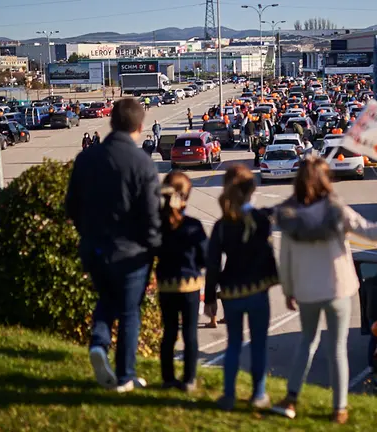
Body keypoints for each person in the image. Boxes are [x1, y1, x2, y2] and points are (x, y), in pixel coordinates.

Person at [272, 157, 377, 424]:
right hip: (338, 287)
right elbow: (374, 232)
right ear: (325, 180)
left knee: (306, 344)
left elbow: (285, 258)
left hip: (307, 289)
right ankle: (339, 408)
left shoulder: (289, 217)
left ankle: (291, 399)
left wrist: (288, 290)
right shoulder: (337, 210)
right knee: (337, 349)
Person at [65, 98, 162, 393]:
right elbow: (150, 214)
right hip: (130, 253)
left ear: (111, 122)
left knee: (107, 299)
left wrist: (88, 234)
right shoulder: (143, 162)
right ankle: (125, 375)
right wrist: (155, 248)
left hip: (94, 248)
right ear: (140, 126)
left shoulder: (87, 158)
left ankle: (99, 341)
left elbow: (72, 206)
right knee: (130, 311)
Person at [204, 164, 279, 411]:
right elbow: (268, 253)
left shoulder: (222, 224)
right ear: (252, 190)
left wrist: (210, 297)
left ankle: (228, 394)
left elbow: (213, 262)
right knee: (258, 343)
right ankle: (258, 394)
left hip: (231, 293)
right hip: (257, 290)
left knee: (233, 343)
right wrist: (275, 278)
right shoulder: (260, 219)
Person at [156, 171, 207, 392]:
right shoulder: (193, 225)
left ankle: (168, 377)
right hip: (190, 286)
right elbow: (205, 258)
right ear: (185, 197)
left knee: (168, 333)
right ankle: (188, 379)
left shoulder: (158, 225)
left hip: (166, 285)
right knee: (190, 334)